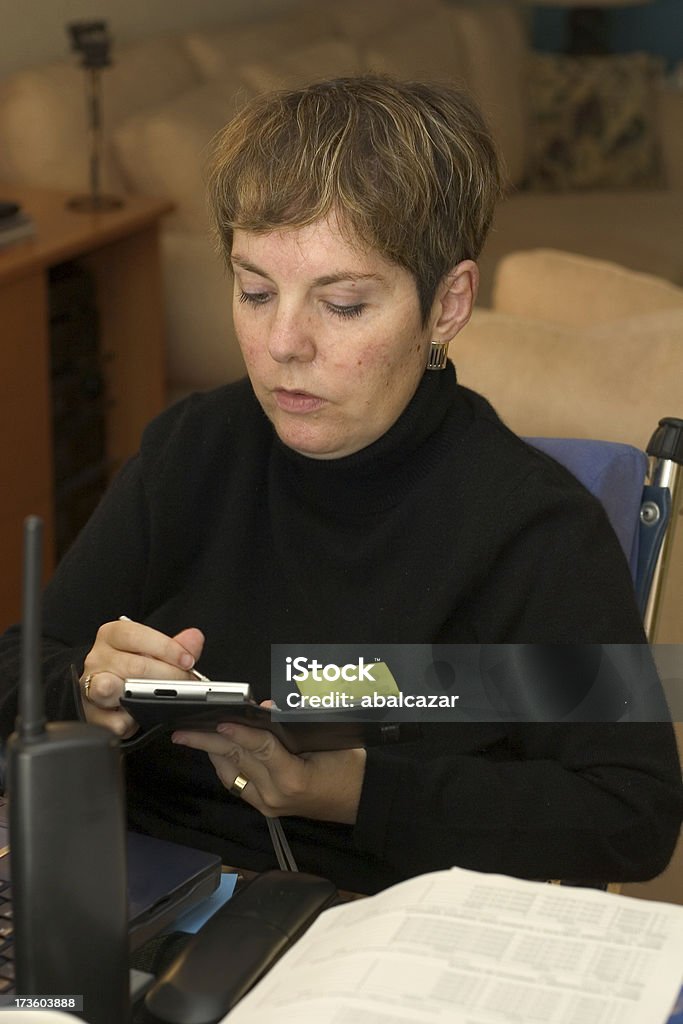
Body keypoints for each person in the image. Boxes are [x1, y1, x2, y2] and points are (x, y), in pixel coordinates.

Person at [0, 76, 680, 894]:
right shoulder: (193, 451)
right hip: (143, 898)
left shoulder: (527, 529)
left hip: (381, 929)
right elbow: (19, 667)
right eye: (254, 291)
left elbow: (628, 816)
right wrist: (83, 690)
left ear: (447, 304)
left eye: (345, 304)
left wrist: (353, 791)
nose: (283, 341)